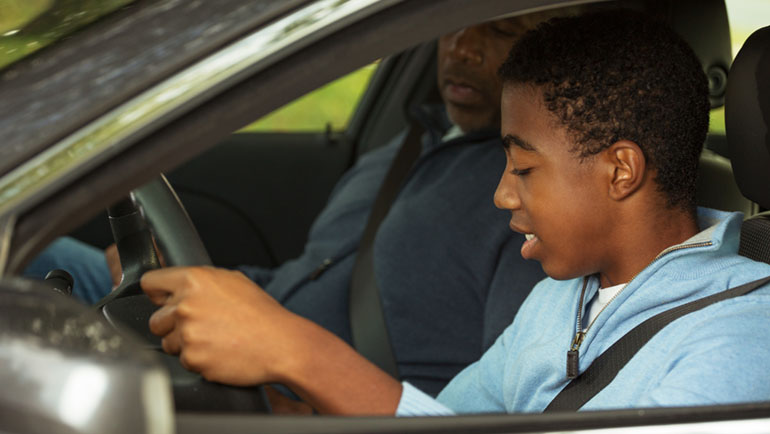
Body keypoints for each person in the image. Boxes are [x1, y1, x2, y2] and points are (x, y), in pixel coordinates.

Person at [140, 9, 770, 415]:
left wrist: (301, 352)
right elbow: (452, 425)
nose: (501, 194)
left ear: (620, 170)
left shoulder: (739, 340)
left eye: (523, 169)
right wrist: (284, 398)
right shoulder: (562, 300)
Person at [23, 10, 599, 395]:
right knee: (33, 246)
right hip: (240, 338)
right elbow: (311, 279)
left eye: (499, 29)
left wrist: (305, 376)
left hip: (289, 392)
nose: (462, 46)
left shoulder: (534, 196)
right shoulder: (406, 144)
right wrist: (192, 278)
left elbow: (506, 398)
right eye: (451, 20)